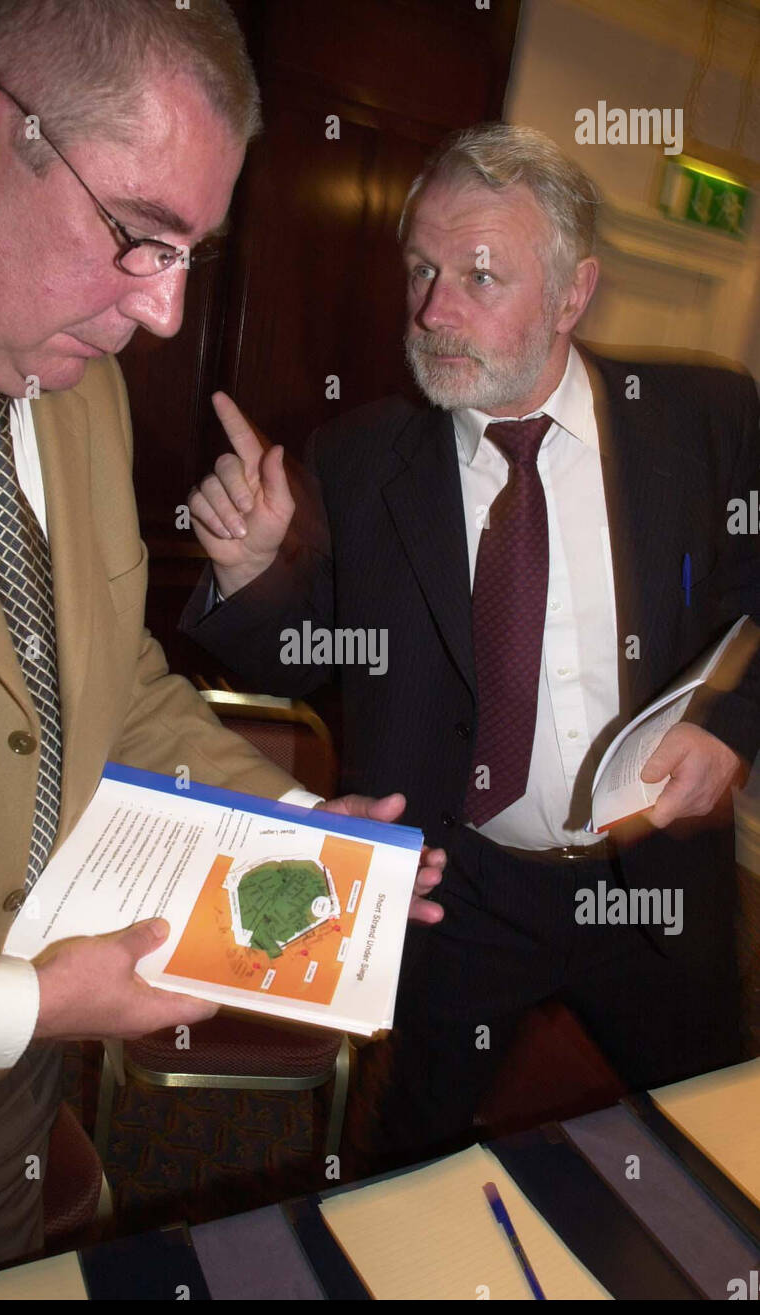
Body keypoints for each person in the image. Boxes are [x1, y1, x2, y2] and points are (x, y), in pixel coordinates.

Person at [0, 0, 443, 1277]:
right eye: (138, 237)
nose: (161, 316)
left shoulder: (76, 398)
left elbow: (112, 682)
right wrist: (38, 1001)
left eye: (187, 255)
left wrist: (299, 822)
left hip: (2, 1118)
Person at [182, 123, 760, 1167]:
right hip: (464, 888)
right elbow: (308, 657)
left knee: (705, 1139)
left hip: (656, 880)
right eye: (422, 271)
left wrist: (733, 728)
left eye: (479, 276)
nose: (433, 311)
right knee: (411, 1155)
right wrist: (246, 572)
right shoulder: (362, 460)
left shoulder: (702, 418)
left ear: (572, 293)